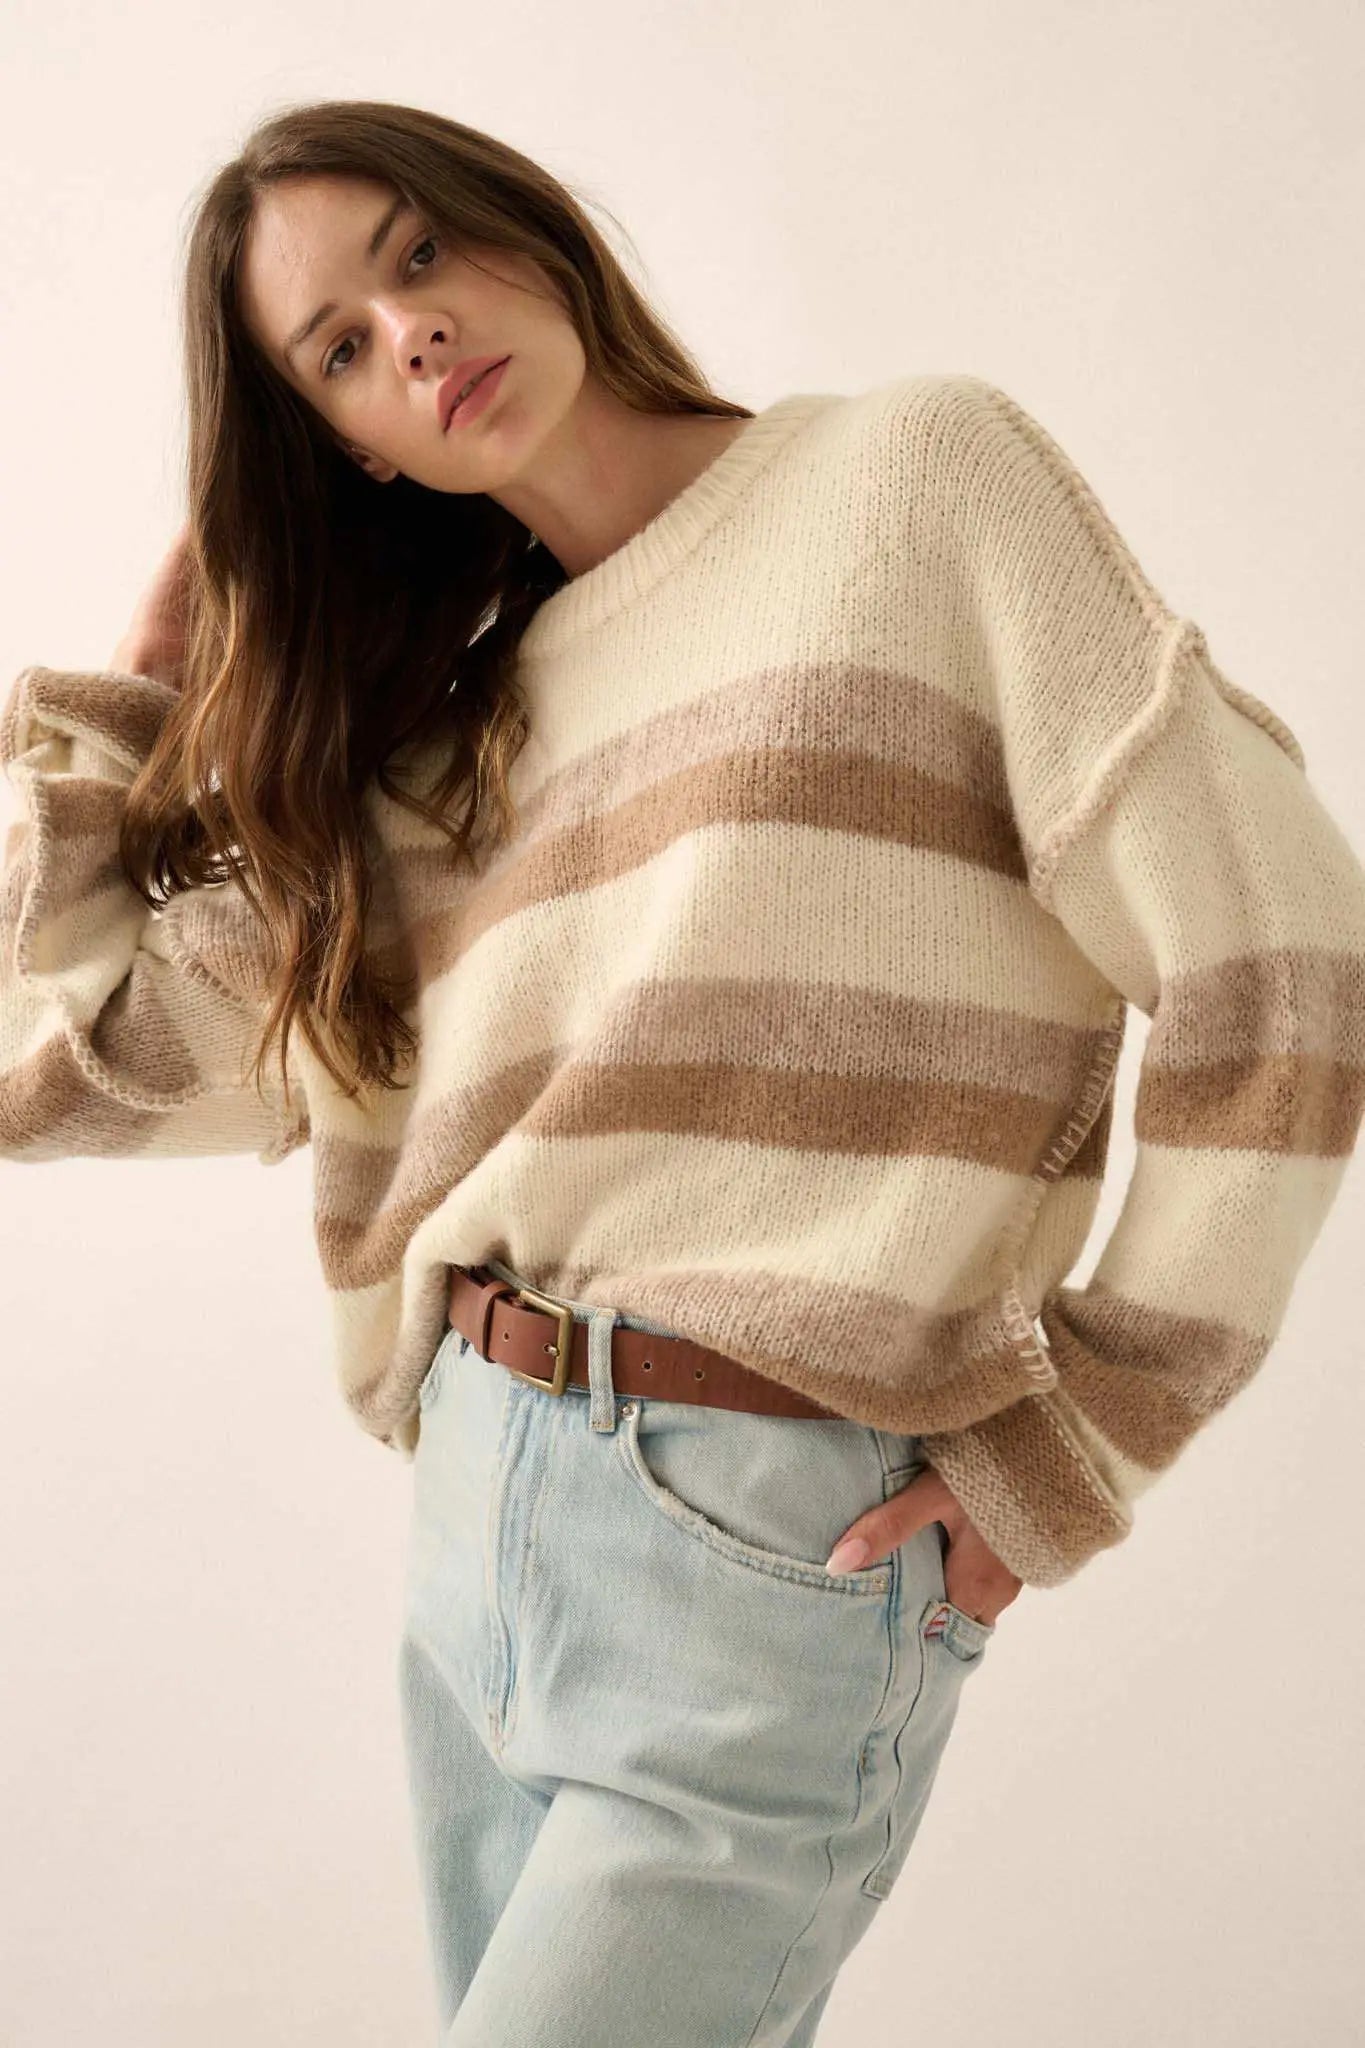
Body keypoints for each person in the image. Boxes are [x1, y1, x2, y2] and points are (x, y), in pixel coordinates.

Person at [4, 97, 1364, 2048]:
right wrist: (126, 725)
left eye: (417, 253)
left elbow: (1285, 956)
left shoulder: (915, 481)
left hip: (763, 1535)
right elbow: (67, 1071)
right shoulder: (442, 746)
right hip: (479, 1518)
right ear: (348, 447)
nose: (411, 333)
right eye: (338, 350)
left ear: (526, 228)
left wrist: (1084, 1435)